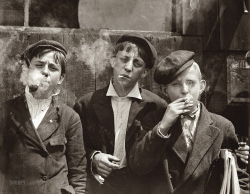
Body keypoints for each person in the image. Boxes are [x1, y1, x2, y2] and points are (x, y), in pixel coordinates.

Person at [128, 50, 250, 194]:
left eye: (191, 83)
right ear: (164, 90)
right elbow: (138, 166)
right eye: (176, 84)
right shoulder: (154, 120)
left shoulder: (222, 126)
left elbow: (238, 179)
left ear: (202, 86)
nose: (185, 90)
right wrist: (163, 127)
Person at [73, 33, 167, 194]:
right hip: (100, 188)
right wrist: (94, 157)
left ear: (144, 72)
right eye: (124, 59)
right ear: (113, 60)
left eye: (137, 63)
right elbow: (75, 149)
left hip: (141, 188)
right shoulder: (86, 104)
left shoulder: (156, 107)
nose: (129, 67)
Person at [0, 40, 87, 194]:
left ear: (60, 78)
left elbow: (78, 173)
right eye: (39, 65)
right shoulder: (5, 112)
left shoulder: (69, 117)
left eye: (53, 68)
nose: (46, 71)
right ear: (27, 70)